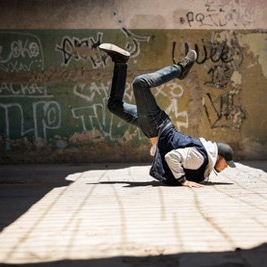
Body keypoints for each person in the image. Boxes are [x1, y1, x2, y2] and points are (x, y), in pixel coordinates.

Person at [99, 43, 236, 188]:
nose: (227, 167)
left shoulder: (203, 162)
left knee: (114, 106)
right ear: (218, 156)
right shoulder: (201, 158)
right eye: (227, 163)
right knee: (141, 83)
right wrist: (183, 181)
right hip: (157, 125)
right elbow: (172, 157)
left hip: (151, 128)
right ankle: (180, 69)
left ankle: (120, 62)